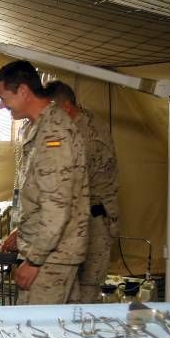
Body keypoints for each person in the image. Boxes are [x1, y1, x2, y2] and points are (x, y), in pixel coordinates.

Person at [0, 61, 89, 305]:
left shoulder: (54, 134)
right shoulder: (38, 126)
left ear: (24, 92)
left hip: (51, 258)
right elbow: (38, 193)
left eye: (4, 97)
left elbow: (57, 207)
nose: (1, 105)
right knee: (59, 329)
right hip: (50, 250)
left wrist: (34, 261)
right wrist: (21, 230)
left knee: (34, 331)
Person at [46, 80, 120, 303]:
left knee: (87, 288)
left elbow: (70, 184)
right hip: (78, 217)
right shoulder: (73, 127)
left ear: (66, 107)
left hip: (94, 220)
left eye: (53, 111)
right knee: (70, 288)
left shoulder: (87, 135)